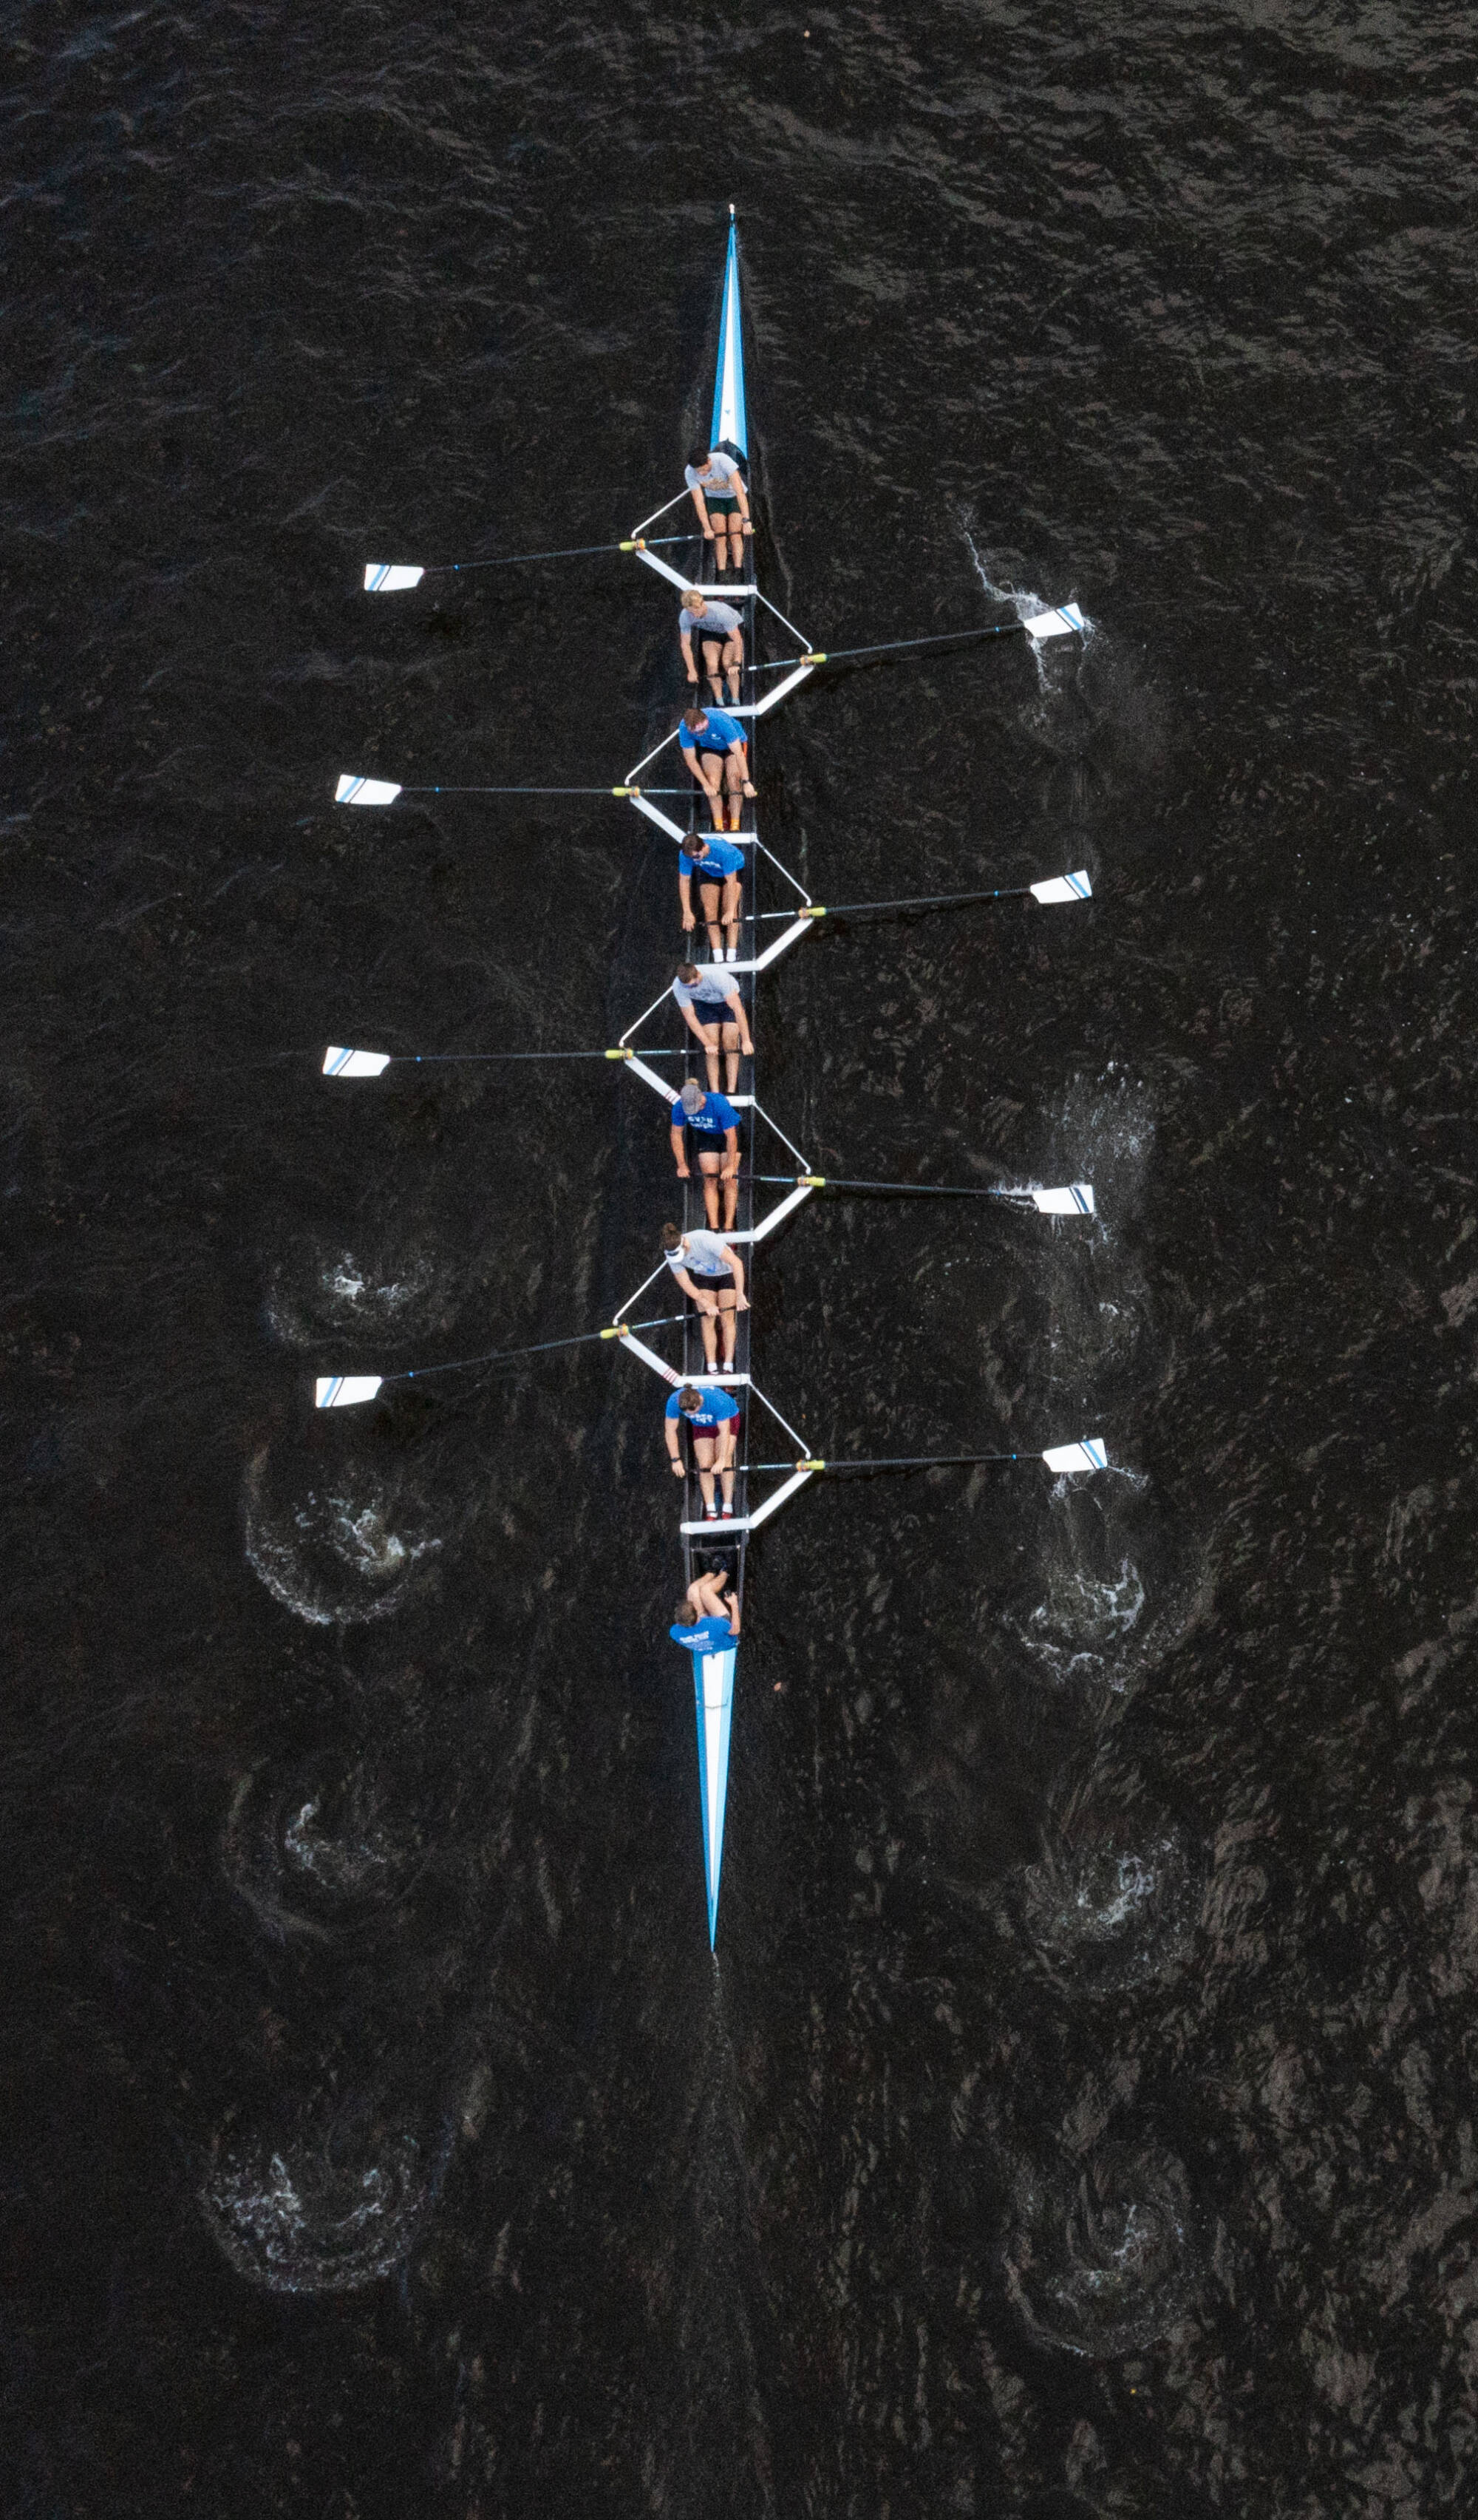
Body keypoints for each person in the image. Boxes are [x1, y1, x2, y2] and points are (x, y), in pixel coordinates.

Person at [661, 1222, 749, 1372]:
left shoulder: (704, 1240)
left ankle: (728, 1365)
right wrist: (705, 1303)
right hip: (704, 1277)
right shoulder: (670, 1253)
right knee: (707, 1320)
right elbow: (685, 1283)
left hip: (727, 1273)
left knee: (727, 1318)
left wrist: (740, 1294)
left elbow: (737, 1263)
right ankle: (712, 1367)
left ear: (684, 1244)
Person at [670, 1076, 741, 1232]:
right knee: (710, 1178)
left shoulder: (719, 1103)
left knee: (730, 1179)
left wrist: (730, 1167)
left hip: (729, 1134)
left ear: (701, 1098)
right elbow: (676, 1135)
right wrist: (681, 1165)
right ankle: (714, 1228)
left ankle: (729, 1227)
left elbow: (731, 1137)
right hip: (706, 1135)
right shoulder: (679, 1107)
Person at [664, 1382, 741, 1521]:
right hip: (702, 1426)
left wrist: (722, 1459)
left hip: (727, 1421)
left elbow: (724, 1432)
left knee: (726, 1462)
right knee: (705, 1465)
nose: (692, 1414)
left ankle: (728, 1504)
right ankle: (711, 1509)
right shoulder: (674, 1401)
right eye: (689, 1414)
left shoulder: (718, 1401)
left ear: (700, 1401)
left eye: (695, 1411)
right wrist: (675, 1460)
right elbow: (670, 1431)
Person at [674, 958, 750, 1093]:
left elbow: (738, 1010)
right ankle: (715, 1092)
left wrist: (746, 1040)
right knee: (711, 1043)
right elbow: (690, 1017)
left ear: (698, 975)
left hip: (727, 1002)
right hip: (704, 1005)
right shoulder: (679, 986)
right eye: (688, 987)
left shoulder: (717, 977)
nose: (690, 988)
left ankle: (731, 1090)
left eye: (693, 985)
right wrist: (708, 1044)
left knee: (730, 1040)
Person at [678, 705, 755, 835]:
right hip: (710, 747)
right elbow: (691, 760)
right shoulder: (684, 729)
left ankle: (735, 826)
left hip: (734, 747)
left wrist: (746, 782)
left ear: (705, 720)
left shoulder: (720, 721)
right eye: (696, 733)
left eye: (702, 730)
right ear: (690, 729)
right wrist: (706, 785)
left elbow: (739, 754)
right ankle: (719, 827)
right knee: (713, 784)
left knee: (734, 780)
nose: (700, 734)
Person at [684, 442, 753, 574]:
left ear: (709, 461)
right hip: (715, 499)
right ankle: (721, 574)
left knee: (735, 533)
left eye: (705, 469)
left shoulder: (723, 461)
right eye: (699, 472)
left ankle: (738, 572)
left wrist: (746, 520)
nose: (703, 474)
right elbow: (699, 502)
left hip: (734, 497)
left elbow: (740, 493)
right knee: (719, 536)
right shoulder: (689, 472)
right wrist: (707, 528)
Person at [678, 829, 746, 962]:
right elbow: (684, 881)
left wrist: (731, 911)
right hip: (709, 872)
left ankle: (732, 954)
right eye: (691, 858)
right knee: (709, 912)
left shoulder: (724, 852)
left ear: (704, 847)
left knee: (729, 910)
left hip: (733, 870)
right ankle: (718, 956)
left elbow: (731, 882)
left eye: (696, 857)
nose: (694, 861)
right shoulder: (686, 855)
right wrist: (687, 911)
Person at [678, 588, 743, 705]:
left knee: (727, 663)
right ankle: (720, 702)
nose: (695, 615)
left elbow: (737, 640)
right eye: (691, 612)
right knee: (711, 665)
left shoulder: (720, 613)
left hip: (731, 633)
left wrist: (737, 663)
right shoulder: (685, 616)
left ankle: (735, 700)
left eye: (697, 610)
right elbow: (685, 645)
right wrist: (691, 671)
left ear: (702, 603)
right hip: (711, 633)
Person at [670, 1567, 741, 1651]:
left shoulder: (674, 1632)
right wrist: (734, 1604)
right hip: (724, 1641)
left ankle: (711, 1573)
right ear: (696, 1611)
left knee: (692, 1590)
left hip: (705, 1631)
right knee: (705, 1590)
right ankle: (725, 1572)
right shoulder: (718, 1623)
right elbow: (735, 1631)